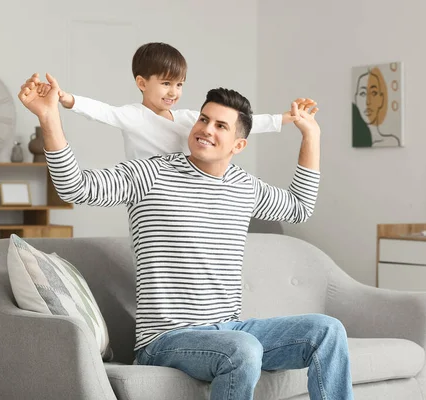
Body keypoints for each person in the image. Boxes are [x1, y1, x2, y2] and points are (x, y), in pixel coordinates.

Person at [18, 72, 354, 400]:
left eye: (220, 125)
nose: (206, 130)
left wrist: (311, 135)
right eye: (204, 120)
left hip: (231, 331)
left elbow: (298, 207)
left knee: (327, 332)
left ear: (238, 144)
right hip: (166, 339)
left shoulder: (243, 186)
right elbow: (75, 186)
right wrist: (49, 117)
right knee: (244, 349)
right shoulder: (152, 173)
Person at [32, 42, 313, 160]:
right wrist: (66, 98)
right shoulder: (134, 115)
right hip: (148, 195)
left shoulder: (189, 119)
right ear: (142, 83)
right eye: (166, 83)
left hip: (182, 192)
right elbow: (101, 112)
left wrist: (286, 119)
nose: (173, 92)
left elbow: (240, 122)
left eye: (179, 84)